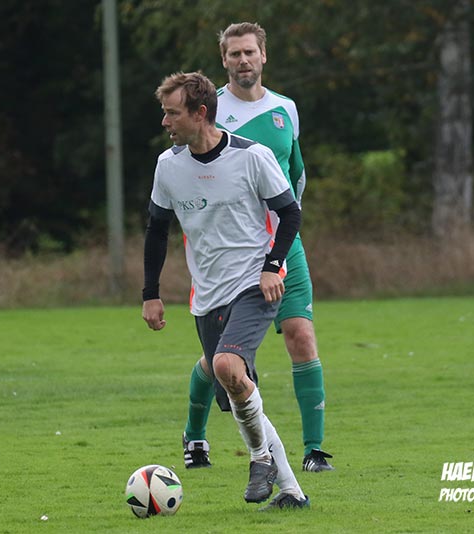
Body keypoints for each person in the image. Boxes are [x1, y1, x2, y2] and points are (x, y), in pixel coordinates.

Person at [143, 71, 309, 510]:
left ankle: (260, 460)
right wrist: (150, 292)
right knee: (240, 389)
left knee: (225, 365)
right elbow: (156, 229)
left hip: (255, 284)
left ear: (200, 113)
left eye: (172, 113)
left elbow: (290, 213)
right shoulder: (168, 166)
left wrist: (273, 266)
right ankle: (292, 492)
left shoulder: (251, 157)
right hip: (207, 295)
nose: (165, 122)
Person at [182, 22, 334, 473]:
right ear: (224, 60)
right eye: (234, 54)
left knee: (301, 335)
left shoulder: (286, 108)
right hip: (231, 252)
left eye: (250, 52)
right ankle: (194, 435)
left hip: (284, 246)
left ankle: (314, 451)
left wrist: (285, 227)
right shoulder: (210, 111)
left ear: (263, 55)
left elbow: (296, 173)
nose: (243, 60)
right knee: (219, 358)